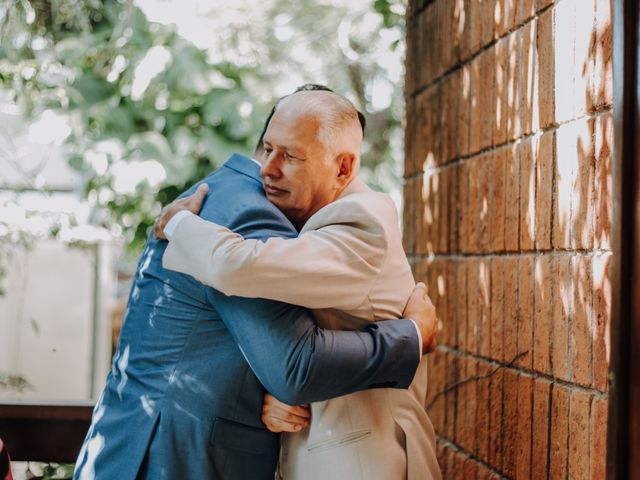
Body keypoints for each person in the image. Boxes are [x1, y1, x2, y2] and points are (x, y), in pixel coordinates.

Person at [73, 92, 438, 478]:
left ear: (343, 167)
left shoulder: (358, 221)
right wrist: (272, 396)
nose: (268, 168)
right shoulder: (248, 211)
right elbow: (285, 364)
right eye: (268, 148)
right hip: (171, 454)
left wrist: (411, 336)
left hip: (363, 460)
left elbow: (295, 362)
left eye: (292, 156)